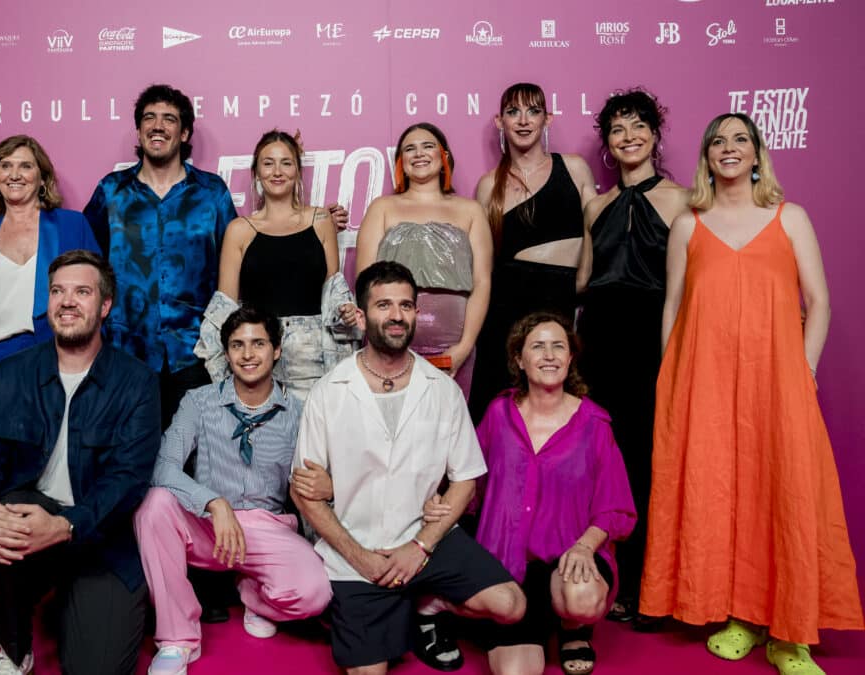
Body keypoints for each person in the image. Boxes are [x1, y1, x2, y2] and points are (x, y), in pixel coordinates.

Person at [641, 113, 863, 674]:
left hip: (777, 382)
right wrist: (673, 376)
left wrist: (802, 371)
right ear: (707, 158)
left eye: (741, 139)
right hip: (705, 383)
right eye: (718, 140)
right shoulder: (689, 226)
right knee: (721, 493)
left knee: (783, 492)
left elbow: (820, 302)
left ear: (759, 154)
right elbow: (673, 306)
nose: (729, 148)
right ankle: (739, 615)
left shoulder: (791, 218)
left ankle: (791, 634)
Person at [291, 260, 525, 675]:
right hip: (357, 551)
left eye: (406, 305)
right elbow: (304, 494)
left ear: (416, 313)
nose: (396, 315)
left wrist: (419, 548)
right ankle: (396, 606)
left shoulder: (443, 390)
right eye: (384, 305)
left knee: (511, 604)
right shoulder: (329, 393)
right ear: (362, 317)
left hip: (425, 542)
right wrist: (361, 558)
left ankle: (425, 602)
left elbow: (466, 479)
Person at [0, 250, 160, 675]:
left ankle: (77, 602)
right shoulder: (11, 374)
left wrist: (67, 525)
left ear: (104, 306)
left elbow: (127, 481)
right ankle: (16, 649)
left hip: (99, 536)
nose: (67, 301)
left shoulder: (136, 381)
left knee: (94, 669)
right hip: (30, 519)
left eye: (82, 292)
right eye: (57, 292)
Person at [425, 312, 635, 675]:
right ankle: (456, 606)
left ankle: (573, 625)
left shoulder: (596, 424)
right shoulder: (498, 413)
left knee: (581, 598)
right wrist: (441, 503)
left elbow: (616, 507)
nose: (549, 355)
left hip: (568, 560)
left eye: (559, 346)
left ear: (570, 359)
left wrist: (586, 546)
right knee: (517, 672)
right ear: (520, 360)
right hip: (508, 564)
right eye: (537, 346)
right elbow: (471, 481)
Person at [135, 306, 332, 675]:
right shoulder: (198, 401)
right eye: (237, 345)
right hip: (208, 525)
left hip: (266, 527)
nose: (247, 354)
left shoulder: (298, 412)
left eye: (258, 343)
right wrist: (212, 502)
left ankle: (253, 595)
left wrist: (328, 483)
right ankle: (177, 639)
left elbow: (315, 477)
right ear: (226, 354)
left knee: (315, 593)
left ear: (276, 350)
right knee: (154, 504)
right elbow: (164, 466)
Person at [574, 90, 689, 626]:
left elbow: (691, 287)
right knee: (604, 464)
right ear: (608, 144)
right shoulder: (595, 206)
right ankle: (602, 581)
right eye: (618, 129)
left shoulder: (685, 201)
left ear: (655, 134)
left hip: (652, 341)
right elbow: (583, 281)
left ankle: (651, 587)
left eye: (639, 126)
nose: (629, 137)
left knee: (649, 463)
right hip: (599, 341)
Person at [82, 83, 237, 424]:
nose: (158, 125)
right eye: (149, 118)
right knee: (128, 459)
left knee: (195, 462)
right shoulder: (111, 191)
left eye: (169, 119)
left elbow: (237, 259)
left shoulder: (212, 193)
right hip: (125, 350)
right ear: (138, 130)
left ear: (183, 133)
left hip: (197, 352)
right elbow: (85, 263)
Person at [195, 130, 356, 401]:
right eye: (268, 163)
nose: (277, 171)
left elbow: (333, 293)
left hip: (314, 357)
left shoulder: (321, 221)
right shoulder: (239, 230)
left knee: (315, 440)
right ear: (256, 173)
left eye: (286, 162)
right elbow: (225, 307)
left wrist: (346, 312)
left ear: (297, 171)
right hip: (257, 356)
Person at [470, 82, 596, 422]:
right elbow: (482, 261)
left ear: (547, 119)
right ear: (500, 122)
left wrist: (581, 281)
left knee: (565, 407)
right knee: (502, 408)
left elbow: (596, 231)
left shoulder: (574, 168)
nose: (523, 120)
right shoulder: (488, 185)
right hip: (505, 308)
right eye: (513, 112)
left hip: (561, 300)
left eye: (533, 111)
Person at [354, 122, 492, 396]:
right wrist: (378, 341)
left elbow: (482, 282)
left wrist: (464, 347)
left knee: (446, 428)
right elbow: (365, 282)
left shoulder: (471, 210)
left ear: (444, 158)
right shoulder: (382, 208)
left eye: (428, 146)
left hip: (453, 343)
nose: (419, 153)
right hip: (389, 336)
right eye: (409, 149)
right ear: (400, 163)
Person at [0, 134, 99, 398]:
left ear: (42, 178)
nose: (15, 174)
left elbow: (99, 292)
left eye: (25, 166)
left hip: (55, 357)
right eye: (5, 165)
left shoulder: (72, 225)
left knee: (55, 439)